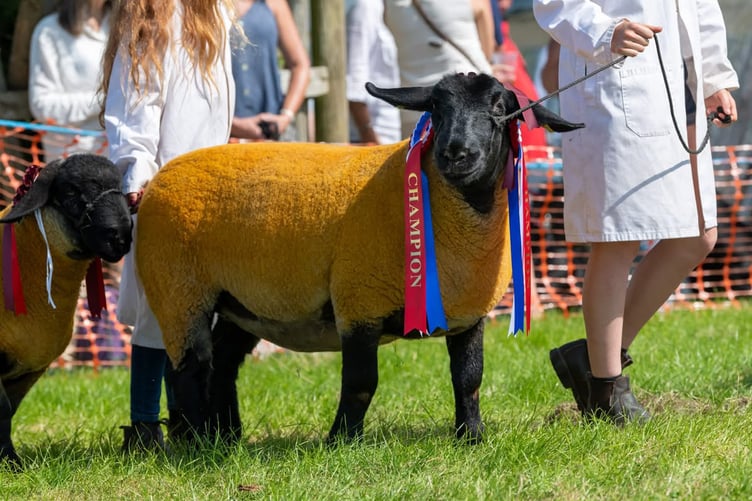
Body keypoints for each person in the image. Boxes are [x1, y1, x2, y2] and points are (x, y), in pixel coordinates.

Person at [532, 0, 739, 424]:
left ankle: (593, 360)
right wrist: (605, 32)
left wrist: (714, 77)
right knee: (616, 238)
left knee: (699, 234)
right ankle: (607, 390)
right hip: (616, 78)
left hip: (681, 84)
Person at [100, 0, 236, 451]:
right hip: (162, 187)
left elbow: (215, 109)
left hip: (210, 184)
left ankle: (186, 418)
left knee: (199, 312)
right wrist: (138, 176)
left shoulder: (212, 13)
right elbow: (135, 105)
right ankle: (142, 426)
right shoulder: (148, 15)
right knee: (159, 314)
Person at [384, 0, 495, 137]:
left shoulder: (386, 4)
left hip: (414, 108)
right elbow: (488, 50)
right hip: (471, 101)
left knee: (417, 157)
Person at [28, 0, 111, 161]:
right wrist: (105, 100)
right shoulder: (49, 31)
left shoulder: (125, 26)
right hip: (70, 158)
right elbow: (41, 105)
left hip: (120, 153)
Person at [230, 0, 309, 142]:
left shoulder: (274, 4)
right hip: (222, 132)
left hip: (269, 130)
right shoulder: (209, 6)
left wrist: (286, 116)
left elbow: (300, 65)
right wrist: (232, 124)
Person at [345, 0, 401, 144]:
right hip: (371, 137)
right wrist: (368, 133)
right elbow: (355, 80)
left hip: (383, 132)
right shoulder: (366, 6)